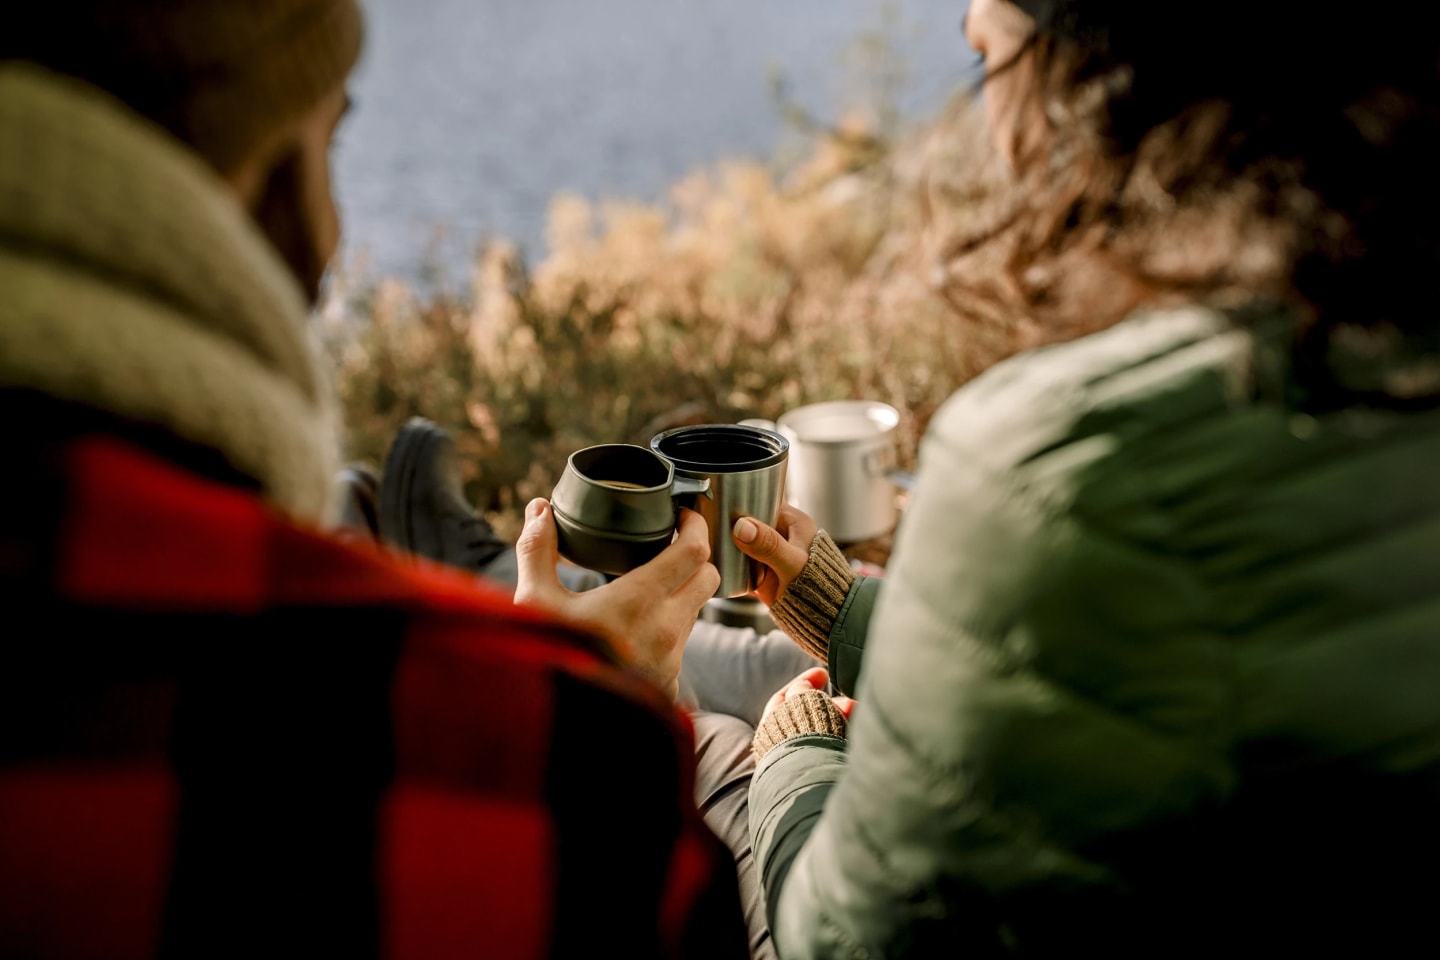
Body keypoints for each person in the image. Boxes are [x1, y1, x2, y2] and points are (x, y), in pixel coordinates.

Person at [0, 2, 750, 956]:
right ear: (274, 185)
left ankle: (457, 563)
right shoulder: (561, 775)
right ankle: (470, 578)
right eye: (332, 134)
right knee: (739, 749)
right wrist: (597, 692)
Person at [725, 0, 1440, 955]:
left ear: (1091, 79)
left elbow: (855, 943)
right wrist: (844, 616)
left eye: (989, 57)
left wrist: (795, 758)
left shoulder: (1073, 456)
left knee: (702, 750)